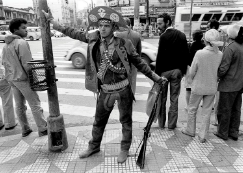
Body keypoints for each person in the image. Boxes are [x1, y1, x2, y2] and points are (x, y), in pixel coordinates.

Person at [42, 6, 167, 163]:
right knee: (98, 121)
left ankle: (124, 149)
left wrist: (156, 78)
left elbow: (140, 63)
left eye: (106, 26)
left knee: (126, 122)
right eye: (100, 26)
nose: (102, 29)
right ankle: (94, 146)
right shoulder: (93, 40)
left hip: (123, 90)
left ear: (113, 27)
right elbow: (73, 32)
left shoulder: (125, 43)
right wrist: (53, 22)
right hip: (105, 91)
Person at [1, 18, 48, 137]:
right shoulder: (21, 43)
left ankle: (25, 128)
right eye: (23, 28)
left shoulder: (6, 45)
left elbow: (4, 63)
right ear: (15, 30)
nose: (26, 30)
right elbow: (27, 64)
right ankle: (43, 128)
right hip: (23, 79)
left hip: (12, 80)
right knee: (35, 104)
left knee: (20, 105)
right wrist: (34, 79)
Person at [182, 29, 223, 143]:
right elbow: (219, 71)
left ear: (206, 40)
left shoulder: (200, 53)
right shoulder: (220, 54)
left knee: (192, 109)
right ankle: (202, 135)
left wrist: (190, 79)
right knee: (207, 111)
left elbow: (192, 71)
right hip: (211, 87)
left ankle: (190, 130)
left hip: (198, 86)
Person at [155, 13, 189, 130]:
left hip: (164, 72)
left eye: (160, 23)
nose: (158, 26)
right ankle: (171, 125)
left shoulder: (163, 37)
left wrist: (157, 75)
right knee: (174, 99)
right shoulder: (181, 35)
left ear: (168, 22)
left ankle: (161, 124)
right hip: (177, 71)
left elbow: (159, 57)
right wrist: (182, 70)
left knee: (162, 99)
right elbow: (186, 55)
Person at [214, 24, 243, 141]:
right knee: (236, 110)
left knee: (224, 109)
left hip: (229, 84)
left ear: (231, 35)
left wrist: (217, 75)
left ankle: (223, 132)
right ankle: (234, 132)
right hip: (240, 83)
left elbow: (223, 68)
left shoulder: (231, 48)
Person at [114, 17, 142, 94]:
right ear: (130, 24)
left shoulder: (116, 34)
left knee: (121, 80)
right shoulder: (136, 35)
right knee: (132, 80)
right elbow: (139, 51)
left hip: (120, 62)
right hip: (133, 62)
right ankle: (131, 95)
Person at [185, 30, 205, 112]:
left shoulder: (190, 46)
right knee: (201, 87)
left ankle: (188, 106)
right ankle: (203, 104)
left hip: (190, 67)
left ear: (193, 37)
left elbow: (187, 58)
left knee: (188, 89)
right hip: (201, 68)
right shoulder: (204, 46)